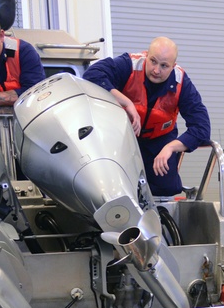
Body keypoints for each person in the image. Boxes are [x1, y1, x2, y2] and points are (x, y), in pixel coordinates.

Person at [82, 36, 211, 197]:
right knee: (113, 186)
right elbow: (92, 75)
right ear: (146, 55)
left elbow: (202, 128)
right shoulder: (129, 64)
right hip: (123, 137)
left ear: (173, 66)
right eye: (153, 61)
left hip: (159, 141)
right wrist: (126, 102)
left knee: (168, 188)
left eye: (164, 66)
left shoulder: (182, 83)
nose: (156, 70)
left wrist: (170, 148)